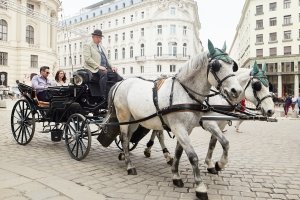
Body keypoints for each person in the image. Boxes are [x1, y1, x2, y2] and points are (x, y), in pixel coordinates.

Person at [83, 29, 120, 100]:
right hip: (93, 68)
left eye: (100, 37)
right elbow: (88, 59)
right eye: (97, 37)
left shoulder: (102, 47)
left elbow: (107, 59)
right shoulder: (87, 45)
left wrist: (112, 67)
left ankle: (115, 93)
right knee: (104, 73)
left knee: (116, 75)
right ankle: (104, 96)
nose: (99, 39)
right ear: (93, 37)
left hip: (104, 67)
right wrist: (98, 66)